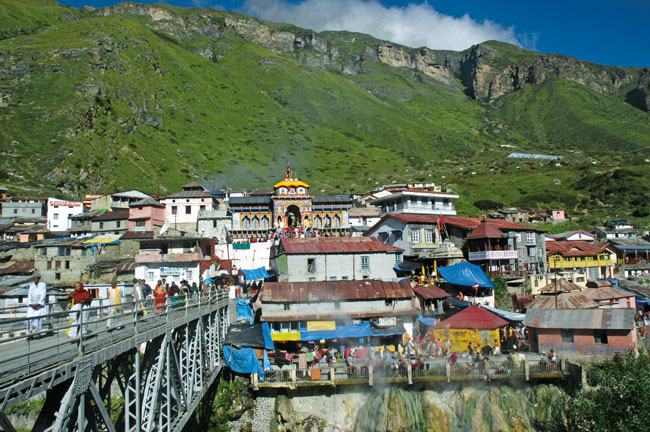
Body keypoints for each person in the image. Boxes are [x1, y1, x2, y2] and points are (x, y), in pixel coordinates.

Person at [26, 273, 47, 338]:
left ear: (39, 279)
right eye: (34, 278)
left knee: (38, 319)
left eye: (36, 278)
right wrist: (30, 303)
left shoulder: (42, 285)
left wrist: (39, 303)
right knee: (29, 318)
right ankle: (30, 332)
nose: (35, 279)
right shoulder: (31, 286)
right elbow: (29, 295)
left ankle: (38, 332)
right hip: (32, 305)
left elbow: (43, 294)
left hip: (39, 305)